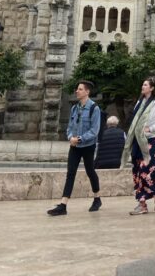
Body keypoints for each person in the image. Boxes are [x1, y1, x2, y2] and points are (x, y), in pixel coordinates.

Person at [48, 80, 102, 216]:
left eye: (80, 89)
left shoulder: (94, 108)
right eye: (77, 89)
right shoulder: (74, 108)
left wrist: (79, 139)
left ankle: (97, 198)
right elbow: (70, 127)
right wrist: (70, 137)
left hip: (88, 146)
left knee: (90, 171)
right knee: (70, 173)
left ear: (87, 92)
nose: (77, 91)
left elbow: (94, 131)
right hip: (75, 146)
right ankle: (63, 205)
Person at [121, 77, 155, 214]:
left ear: (152, 88)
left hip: (152, 141)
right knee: (138, 171)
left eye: (145, 85)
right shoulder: (140, 102)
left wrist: (151, 128)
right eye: (142, 84)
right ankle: (146, 202)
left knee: (147, 171)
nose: (142, 87)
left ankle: (153, 197)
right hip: (139, 141)